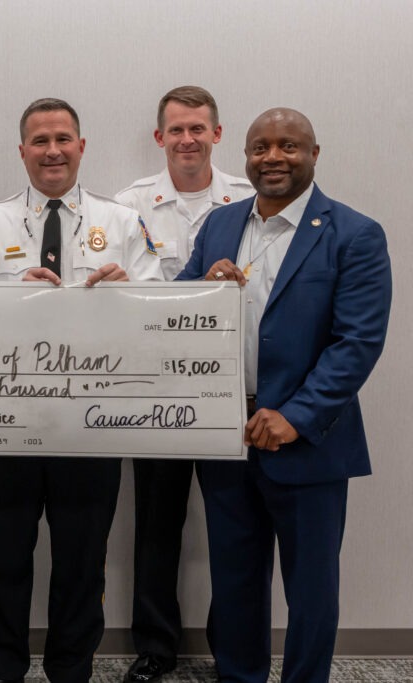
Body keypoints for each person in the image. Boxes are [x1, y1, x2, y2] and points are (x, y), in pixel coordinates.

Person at [179, 108, 391, 683]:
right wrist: (199, 290)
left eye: (289, 146)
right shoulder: (219, 225)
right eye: (260, 147)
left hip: (308, 444)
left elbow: (358, 342)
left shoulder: (355, 233)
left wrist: (295, 416)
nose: (273, 157)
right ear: (245, 156)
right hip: (226, 437)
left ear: (314, 154)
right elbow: (175, 311)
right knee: (235, 583)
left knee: (311, 589)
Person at [0, 98, 161, 683]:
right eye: (40, 140)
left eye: (63, 139)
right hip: (6, 430)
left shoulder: (121, 221)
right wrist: (13, 294)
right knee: (1, 560)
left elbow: (157, 317)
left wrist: (128, 292)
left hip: (93, 428)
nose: (53, 150)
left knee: (82, 563)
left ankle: (71, 671)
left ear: (81, 146)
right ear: (21, 150)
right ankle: (3, 670)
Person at [113, 86, 252, 683]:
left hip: (231, 390)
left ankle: (234, 647)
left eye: (199, 128)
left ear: (217, 134)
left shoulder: (250, 200)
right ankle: (154, 646)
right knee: (156, 525)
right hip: (153, 390)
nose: (188, 139)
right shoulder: (128, 205)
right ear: (160, 138)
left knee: (234, 526)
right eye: (177, 130)